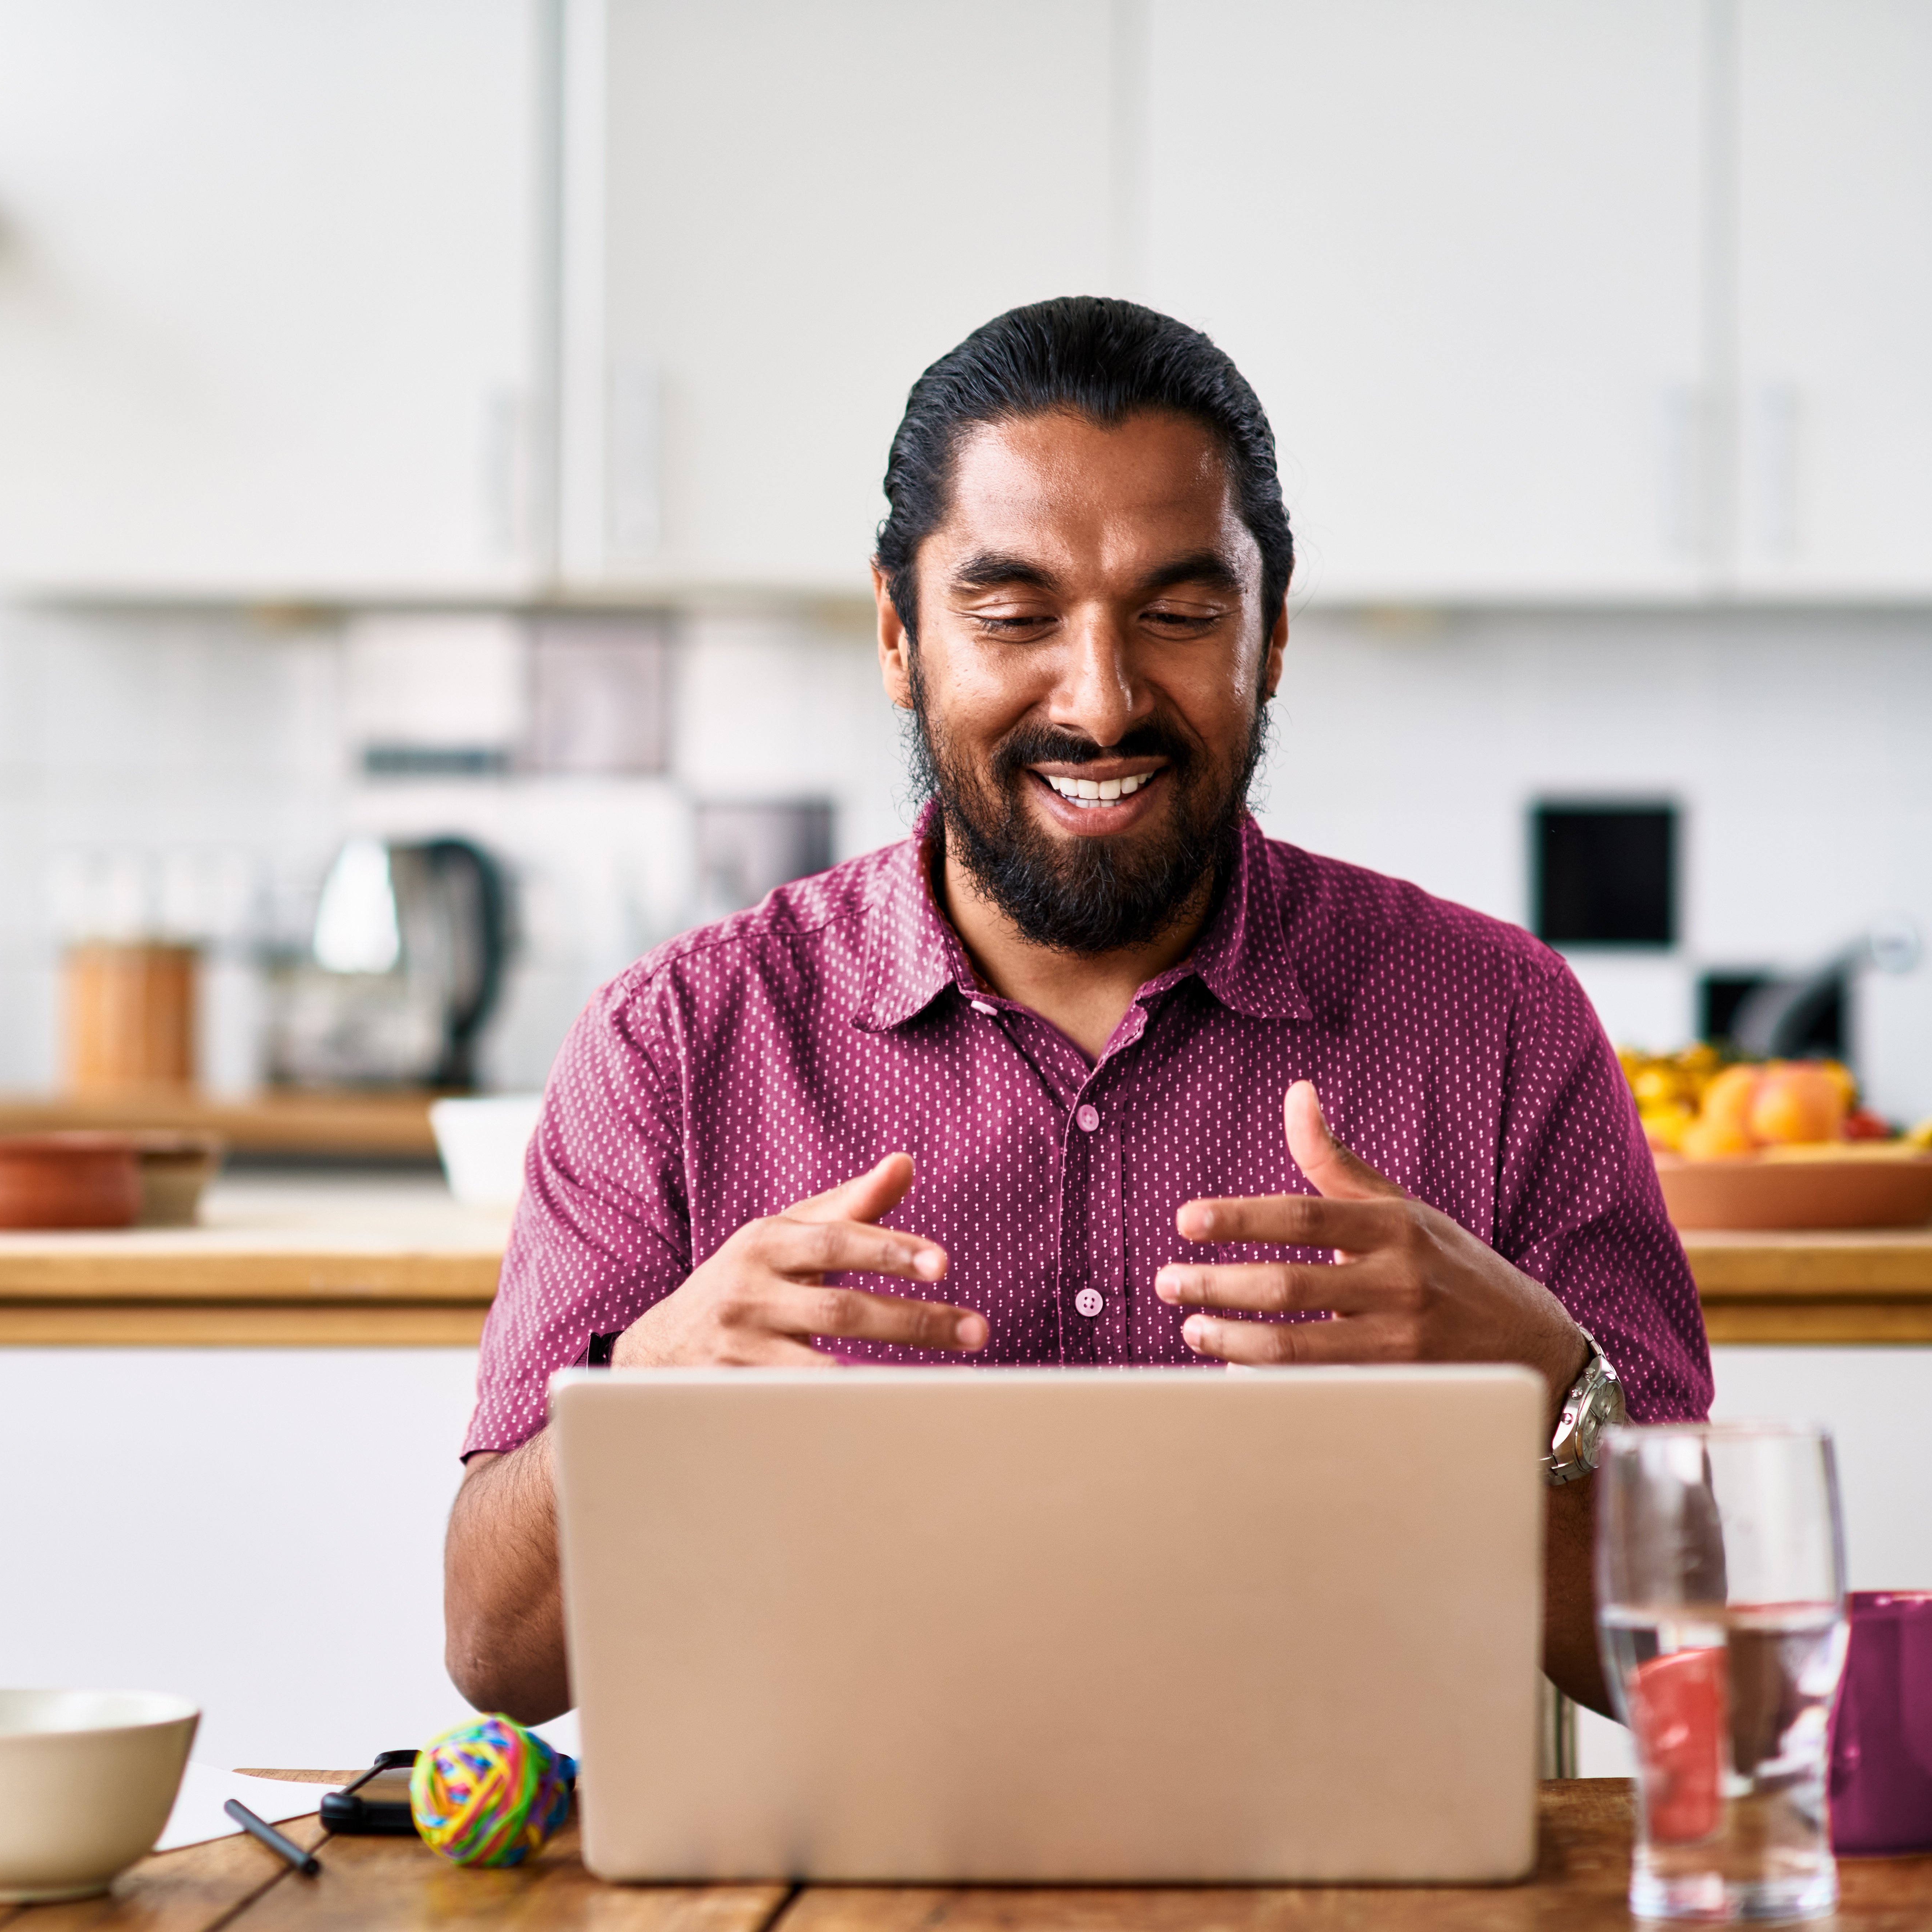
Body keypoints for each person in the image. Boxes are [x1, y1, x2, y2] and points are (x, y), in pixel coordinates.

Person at [443, 296, 1710, 1727]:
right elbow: (498, 1655)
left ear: (1271, 635)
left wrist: (1546, 1378)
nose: (1102, 703)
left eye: (1180, 616)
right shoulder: (675, 1042)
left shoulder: (1496, 1023)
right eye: (1013, 617)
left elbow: (1691, 1666)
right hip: (828, 1854)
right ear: (900, 634)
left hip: (1352, 1852)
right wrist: (647, 1386)